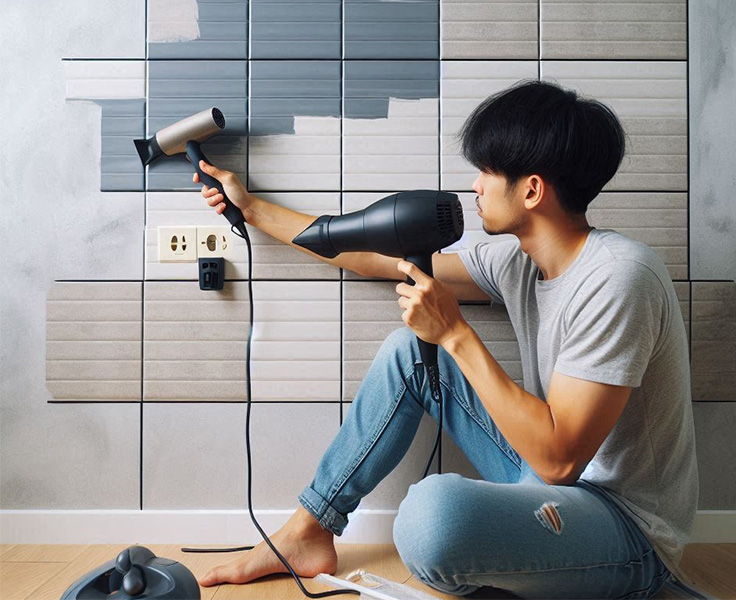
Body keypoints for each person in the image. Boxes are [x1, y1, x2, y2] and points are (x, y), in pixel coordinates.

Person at [191, 79, 700, 599]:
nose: (475, 186)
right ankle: (308, 530)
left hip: (625, 527)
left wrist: (455, 333)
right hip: (548, 486)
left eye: (487, 171)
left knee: (433, 519)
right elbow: (377, 260)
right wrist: (252, 209)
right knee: (410, 352)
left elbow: (560, 460)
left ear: (531, 190)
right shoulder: (517, 262)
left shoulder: (619, 277)